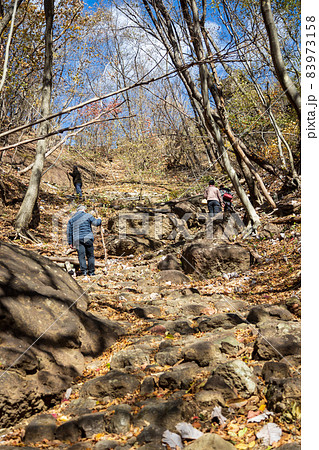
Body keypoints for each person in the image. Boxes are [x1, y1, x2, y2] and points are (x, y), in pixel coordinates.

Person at [67, 205, 102, 278]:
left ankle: (84, 272)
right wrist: (99, 219)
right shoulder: (88, 216)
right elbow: (96, 223)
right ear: (84, 210)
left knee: (81, 256)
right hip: (88, 238)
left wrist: (70, 242)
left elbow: (69, 232)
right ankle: (91, 272)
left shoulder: (72, 219)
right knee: (90, 255)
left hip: (77, 239)